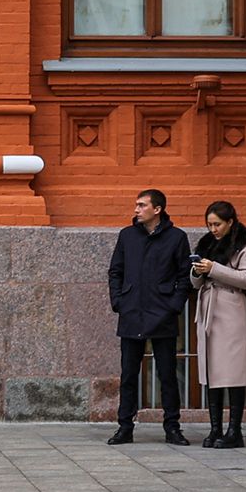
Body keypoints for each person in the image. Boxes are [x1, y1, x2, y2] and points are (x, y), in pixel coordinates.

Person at [107, 188, 192, 445]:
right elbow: (115, 271)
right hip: (132, 311)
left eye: (142, 205)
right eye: (136, 205)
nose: (136, 209)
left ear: (158, 209)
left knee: (167, 374)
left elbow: (184, 275)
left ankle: (172, 428)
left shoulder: (177, 238)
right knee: (128, 375)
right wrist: (118, 301)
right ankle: (125, 427)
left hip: (162, 313)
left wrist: (174, 306)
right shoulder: (127, 236)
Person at [192, 201, 246, 449]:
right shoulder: (207, 244)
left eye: (217, 224)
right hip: (209, 306)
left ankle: (235, 430)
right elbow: (197, 283)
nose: (213, 229)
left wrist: (214, 268)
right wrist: (198, 272)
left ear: (230, 222)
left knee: (233, 371)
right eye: (209, 224)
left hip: (230, 310)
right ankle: (215, 429)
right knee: (211, 371)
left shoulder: (244, 245)